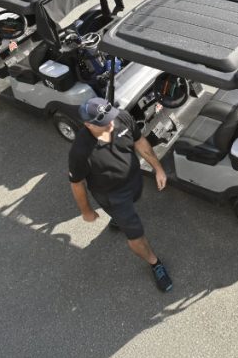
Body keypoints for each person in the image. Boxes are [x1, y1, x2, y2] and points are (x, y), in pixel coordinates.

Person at [67, 97, 173, 293]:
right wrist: (86, 211)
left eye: (110, 118)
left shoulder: (121, 117)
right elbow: (77, 183)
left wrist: (158, 168)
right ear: (88, 124)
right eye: (103, 123)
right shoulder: (80, 152)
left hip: (134, 180)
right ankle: (154, 263)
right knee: (135, 234)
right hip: (113, 196)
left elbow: (139, 141)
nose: (110, 124)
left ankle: (117, 220)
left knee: (134, 200)